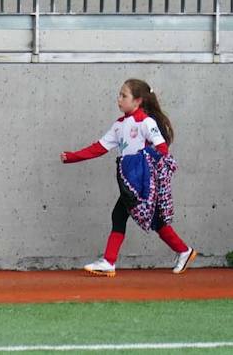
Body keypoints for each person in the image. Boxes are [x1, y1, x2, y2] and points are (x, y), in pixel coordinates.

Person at [60, 79, 196, 278]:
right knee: (155, 221)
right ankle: (184, 251)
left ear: (138, 101)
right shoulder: (119, 125)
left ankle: (109, 261)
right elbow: (99, 147)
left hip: (141, 183)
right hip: (129, 182)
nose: (119, 99)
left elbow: (162, 149)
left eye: (124, 96)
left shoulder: (146, 123)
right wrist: (72, 157)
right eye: (119, 95)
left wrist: (143, 163)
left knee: (119, 215)